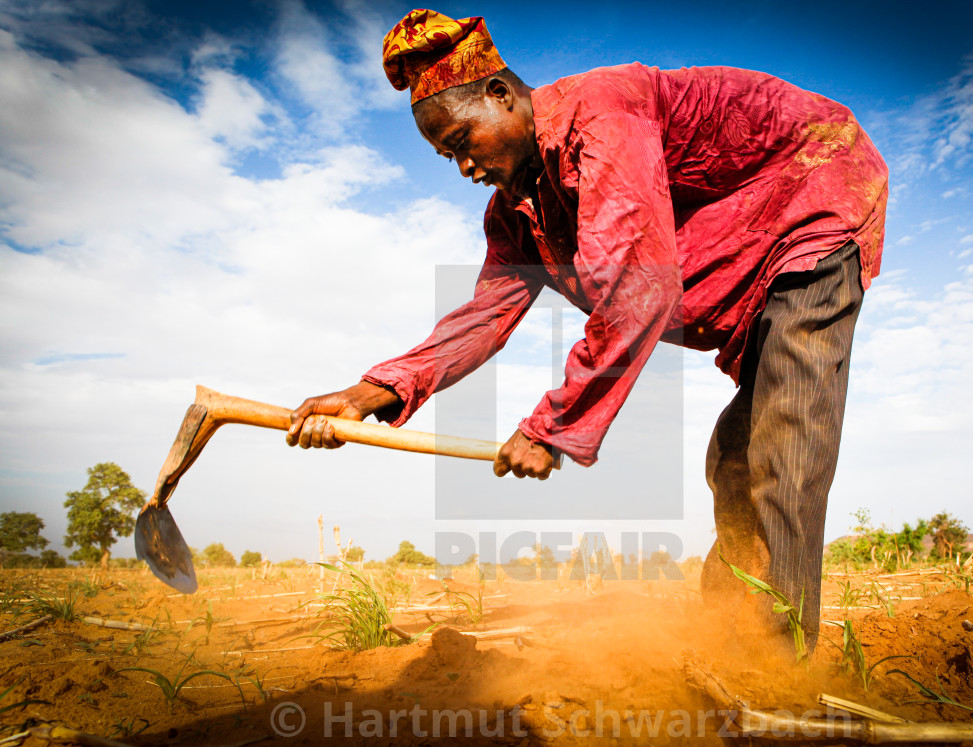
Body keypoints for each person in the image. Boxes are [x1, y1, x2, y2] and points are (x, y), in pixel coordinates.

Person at [286, 9, 888, 654]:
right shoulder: (517, 211)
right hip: (747, 247)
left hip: (814, 193)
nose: (462, 167)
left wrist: (552, 426)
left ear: (502, 95)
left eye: (463, 140)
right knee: (735, 457)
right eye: (446, 156)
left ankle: (780, 661)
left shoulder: (600, 112)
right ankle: (730, 637)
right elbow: (481, 318)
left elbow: (639, 286)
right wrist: (363, 395)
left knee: (786, 443)